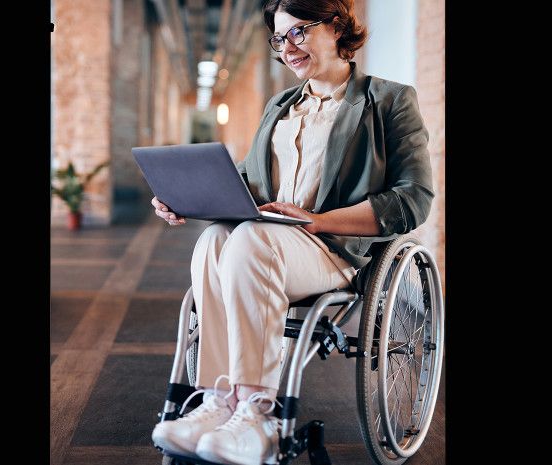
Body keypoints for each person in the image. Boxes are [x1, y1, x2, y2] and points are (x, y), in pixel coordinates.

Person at [152, 0, 434, 463]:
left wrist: (318, 221)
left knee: (247, 239)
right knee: (214, 239)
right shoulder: (280, 105)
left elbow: (413, 197)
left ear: (338, 26)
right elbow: (249, 181)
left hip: (332, 249)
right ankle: (217, 400)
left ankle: (257, 413)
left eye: (299, 32)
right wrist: (185, 196)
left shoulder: (387, 100)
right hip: (268, 241)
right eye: (279, 39)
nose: (288, 47)